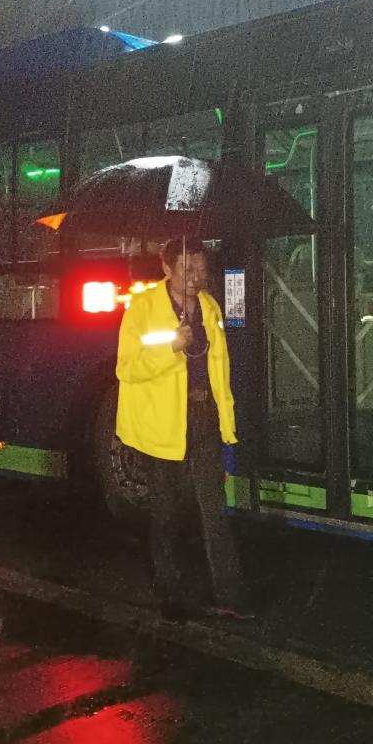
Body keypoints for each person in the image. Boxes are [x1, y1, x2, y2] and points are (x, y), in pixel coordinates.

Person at [115, 237, 251, 620]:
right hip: (161, 424)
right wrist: (171, 347)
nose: (196, 276)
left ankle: (230, 597)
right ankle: (170, 593)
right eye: (188, 269)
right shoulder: (143, 307)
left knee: (214, 510)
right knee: (167, 512)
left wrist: (226, 427)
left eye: (202, 268)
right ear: (167, 268)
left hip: (203, 417)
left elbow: (220, 373)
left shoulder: (209, 307)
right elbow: (126, 367)